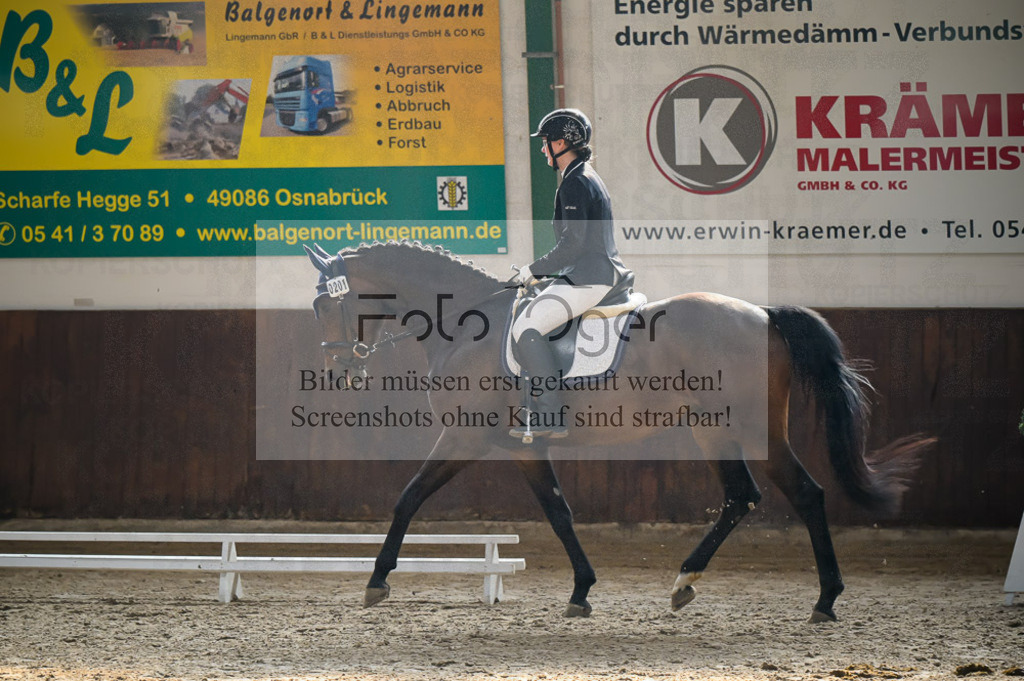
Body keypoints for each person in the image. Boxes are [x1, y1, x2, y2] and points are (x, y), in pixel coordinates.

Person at [509, 108, 632, 440]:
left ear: (561, 143)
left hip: (591, 277)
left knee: (525, 326)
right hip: (592, 271)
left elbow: (572, 244)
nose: (542, 149)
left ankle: (550, 415)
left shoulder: (576, 183)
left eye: (545, 142)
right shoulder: (584, 176)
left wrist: (532, 270)